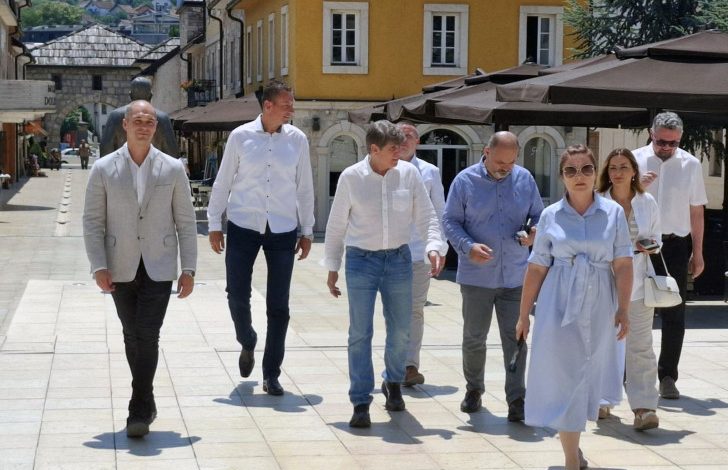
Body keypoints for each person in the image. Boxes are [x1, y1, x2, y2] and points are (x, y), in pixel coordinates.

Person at [82, 100, 197, 438]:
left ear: (156, 127)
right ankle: (147, 399)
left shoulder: (173, 169)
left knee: (147, 333)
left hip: (159, 264)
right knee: (131, 334)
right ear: (125, 125)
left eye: (149, 121)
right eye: (138, 121)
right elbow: (92, 221)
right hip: (120, 264)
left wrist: (189, 268)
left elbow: (186, 222)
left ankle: (138, 406)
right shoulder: (103, 168)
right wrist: (98, 265)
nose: (144, 127)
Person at [516, 144, 632, 470]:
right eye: (571, 170)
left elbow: (623, 263)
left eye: (586, 169)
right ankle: (571, 460)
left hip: (600, 301)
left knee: (588, 376)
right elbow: (537, 266)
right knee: (564, 377)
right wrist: (524, 314)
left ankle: (573, 449)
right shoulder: (550, 215)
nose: (579, 176)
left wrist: (623, 308)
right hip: (558, 303)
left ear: (595, 173)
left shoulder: (613, 213)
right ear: (562, 176)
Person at [324, 120, 447, 428]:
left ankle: (393, 382)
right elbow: (336, 225)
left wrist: (434, 246)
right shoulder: (351, 177)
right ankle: (360, 401)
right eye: (393, 148)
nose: (399, 153)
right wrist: (332, 266)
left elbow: (427, 216)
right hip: (361, 260)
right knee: (360, 332)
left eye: (401, 146)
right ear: (374, 149)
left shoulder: (409, 174)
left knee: (401, 329)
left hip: (399, 259)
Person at [207, 80, 314, 396]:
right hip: (243, 225)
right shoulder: (240, 137)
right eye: (286, 104)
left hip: (283, 228)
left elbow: (305, 187)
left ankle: (271, 374)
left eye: (292, 103)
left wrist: (307, 230)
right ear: (268, 106)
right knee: (236, 294)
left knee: (279, 305)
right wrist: (214, 223)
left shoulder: (298, 140)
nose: (291, 109)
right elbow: (223, 181)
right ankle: (247, 339)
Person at [442, 131, 543, 420]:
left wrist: (533, 233)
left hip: (516, 275)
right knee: (474, 338)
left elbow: (539, 215)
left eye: (511, 163)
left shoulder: (525, 179)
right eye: (500, 162)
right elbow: (450, 221)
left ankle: (517, 398)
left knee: (516, 338)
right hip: (477, 277)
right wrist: (467, 246)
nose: (505, 168)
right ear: (486, 152)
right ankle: (474, 389)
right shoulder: (464, 181)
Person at [633, 112, 707, 400]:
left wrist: (698, 253)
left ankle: (667, 376)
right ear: (651, 133)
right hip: (638, 243)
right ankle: (628, 371)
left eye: (673, 143)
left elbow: (696, 211)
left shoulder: (691, 164)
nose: (666, 147)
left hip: (675, 245)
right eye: (661, 141)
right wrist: (637, 186)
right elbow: (614, 199)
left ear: (680, 139)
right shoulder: (634, 159)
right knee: (633, 307)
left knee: (674, 312)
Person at [596, 148, 661, 430]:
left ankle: (644, 407)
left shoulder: (647, 202)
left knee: (640, 346)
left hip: (639, 285)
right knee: (603, 344)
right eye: (613, 167)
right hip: (603, 284)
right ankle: (601, 399)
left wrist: (647, 246)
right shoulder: (597, 202)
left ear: (634, 170)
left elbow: (657, 239)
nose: (618, 172)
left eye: (624, 167)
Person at [396, 122, 446, 387]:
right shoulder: (385, 168)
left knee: (415, 310)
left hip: (418, 252)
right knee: (395, 312)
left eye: (409, 137)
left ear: (417, 141)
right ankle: (394, 362)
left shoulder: (429, 172)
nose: (404, 141)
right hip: (388, 252)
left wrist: (440, 247)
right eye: (399, 137)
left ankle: (410, 365)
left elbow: (439, 211)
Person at [100, 77, 179, 157]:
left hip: (121, 164)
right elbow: (172, 153)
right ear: (151, 95)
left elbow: (105, 150)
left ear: (130, 95)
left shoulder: (115, 116)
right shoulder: (162, 118)